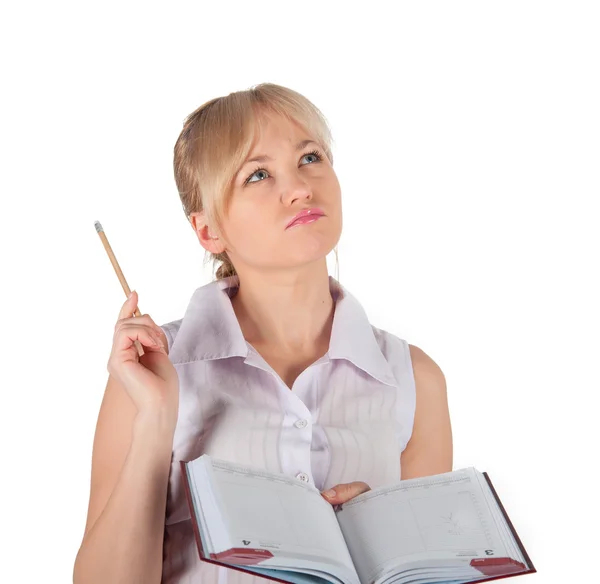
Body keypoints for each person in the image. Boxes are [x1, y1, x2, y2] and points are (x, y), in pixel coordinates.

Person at [73, 83, 453, 584]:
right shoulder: (149, 373)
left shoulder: (411, 379)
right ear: (209, 231)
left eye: (310, 157)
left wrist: (378, 539)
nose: (299, 188)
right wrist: (155, 420)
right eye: (258, 174)